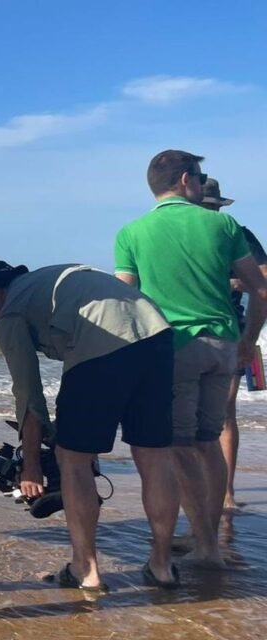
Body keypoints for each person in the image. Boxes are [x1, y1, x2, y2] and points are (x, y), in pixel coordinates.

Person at [0, 261, 180, 589]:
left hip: (101, 341)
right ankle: (162, 566)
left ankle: (86, 569)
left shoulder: (11, 310)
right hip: (156, 332)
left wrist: (30, 466)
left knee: (73, 459)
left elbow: (29, 397)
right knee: (154, 456)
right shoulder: (47, 279)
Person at [115, 150, 267, 567]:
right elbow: (262, 289)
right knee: (209, 441)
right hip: (222, 343)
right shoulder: (223, 224)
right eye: (199, 176)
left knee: (180, 446)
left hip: (172, 346)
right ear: (186, 180)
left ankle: (205, 545)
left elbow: (125, 301)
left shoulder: (132, 233)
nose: (202, 182)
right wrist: (248, 339)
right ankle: (209, 543)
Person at [199, 178, 267, 511]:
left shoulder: (236, 232)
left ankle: (225, 492)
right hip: (183, 334)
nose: (210, 212)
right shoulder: (184, 236)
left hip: (231, 331)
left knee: (224, 414)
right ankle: (198, 495)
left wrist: (250, 337)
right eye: (205, 206)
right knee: (184, 419)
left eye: (214, 207)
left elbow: (265, 278)